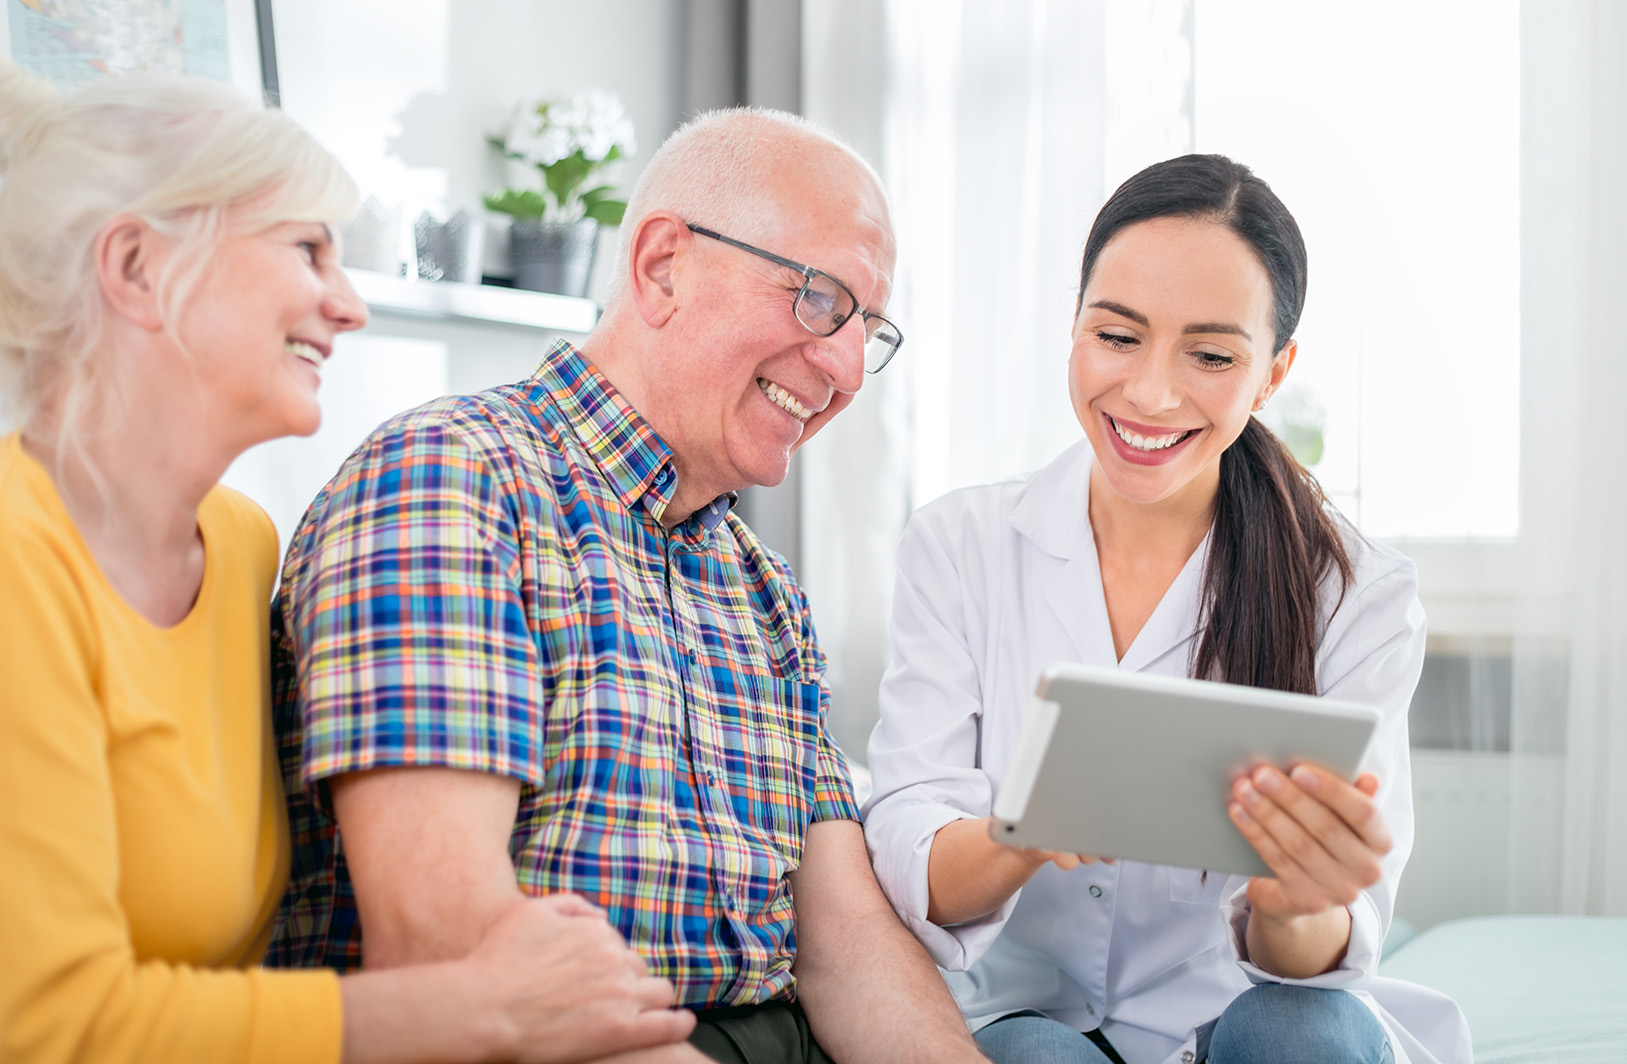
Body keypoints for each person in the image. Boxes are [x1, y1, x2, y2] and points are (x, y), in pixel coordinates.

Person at [0, 67, 697, 1064]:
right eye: (307, 249)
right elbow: (46, 1028)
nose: (349, 306)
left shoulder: (241, 547)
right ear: (137, 267)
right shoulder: (17, 565)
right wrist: (479, 1004)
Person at [268, 108, 989, 1064]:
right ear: (661, 267)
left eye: (869, 328)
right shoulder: (453, 482)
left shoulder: (761, 587)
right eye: (820, 299)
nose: (849, 368)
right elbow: (445, 949)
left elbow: (846, 942)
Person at [862, 155, 1472, 1064]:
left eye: (1212, 355)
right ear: (1074, 326)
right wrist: (1025, 833)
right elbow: (913, 857)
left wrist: (1291, 904)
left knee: (1299, 1030)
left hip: (1249, 1011)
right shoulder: (958, 547)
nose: (1150, 393)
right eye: (1117, 336)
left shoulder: (1355, 593)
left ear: (1271, 374)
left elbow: (1326, 950)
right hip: (1031, 1013)